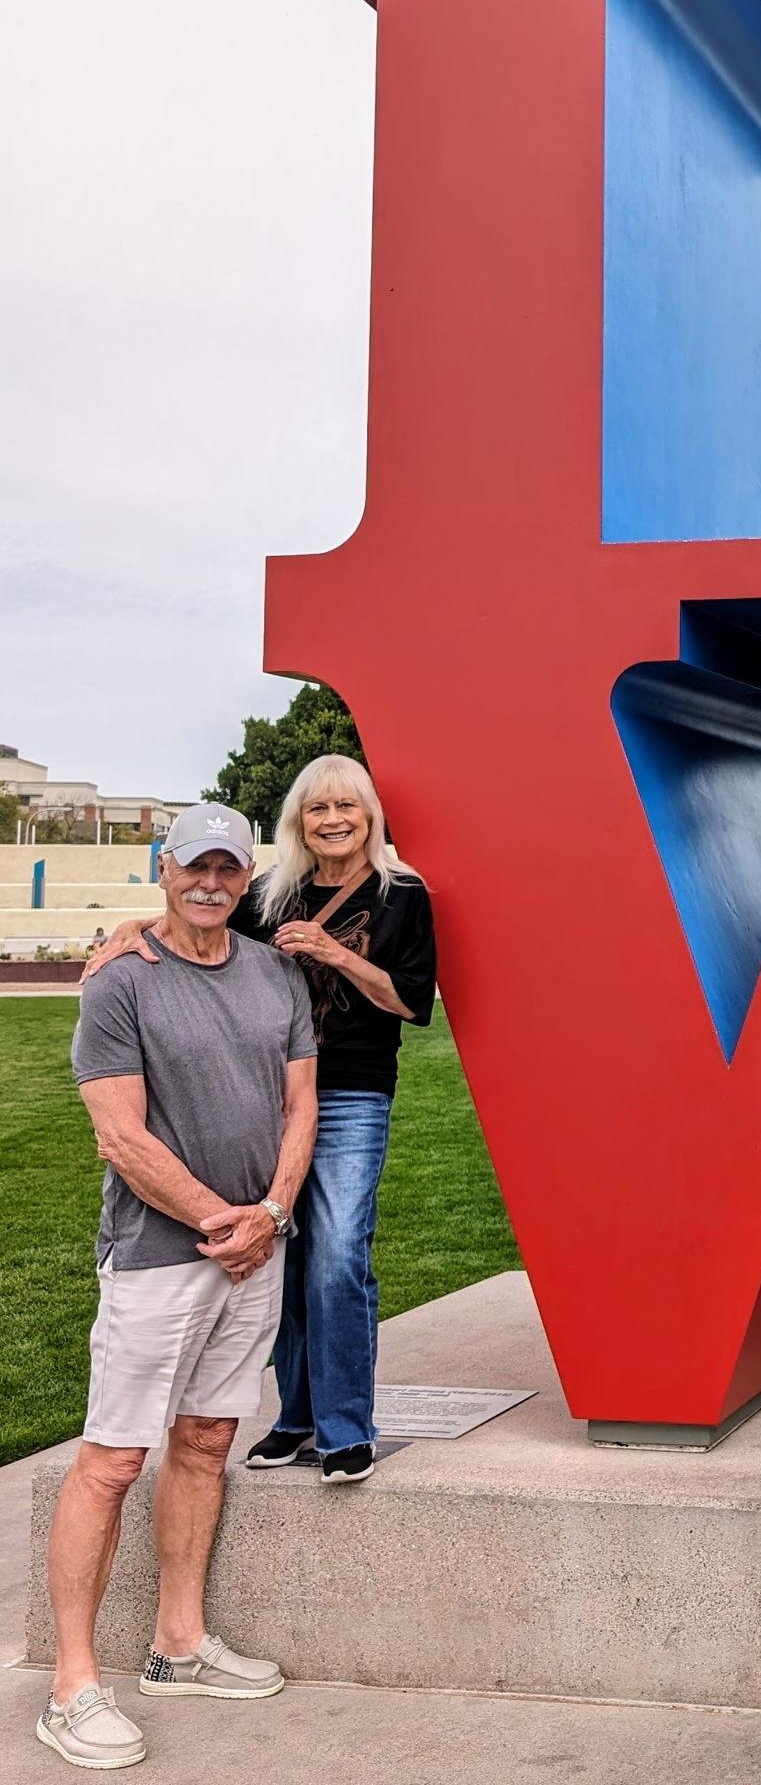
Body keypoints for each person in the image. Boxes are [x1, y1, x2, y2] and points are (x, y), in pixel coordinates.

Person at [42, 802, 315, 1771]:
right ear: (164, 868)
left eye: (227, 869)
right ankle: (73, 1683)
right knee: (112, 1459)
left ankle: (180, 1643)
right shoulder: (120, 981)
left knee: (204, 1441)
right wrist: (220, 1220)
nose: (210, 882)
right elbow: (119, 1132)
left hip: (256, 1246)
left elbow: (299, 1102)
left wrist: (272, 1214)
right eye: (193, 865)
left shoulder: (273, 973)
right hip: (165, 1257)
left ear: (246, 877)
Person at [84, 755, 435, 1486]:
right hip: (265, 1091)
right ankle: (295, 1417)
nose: (333, 820)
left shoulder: (402, 894)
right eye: (317, 808)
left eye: (348, 806)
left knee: (337, 1254)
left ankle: (345, 1427)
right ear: (297, 821)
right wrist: (127, 926)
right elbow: (197, 908)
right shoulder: (271, 891)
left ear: (370, 815)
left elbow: (410, 1001)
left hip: (349, 1094)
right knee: (287, 1254)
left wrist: (335, 953)